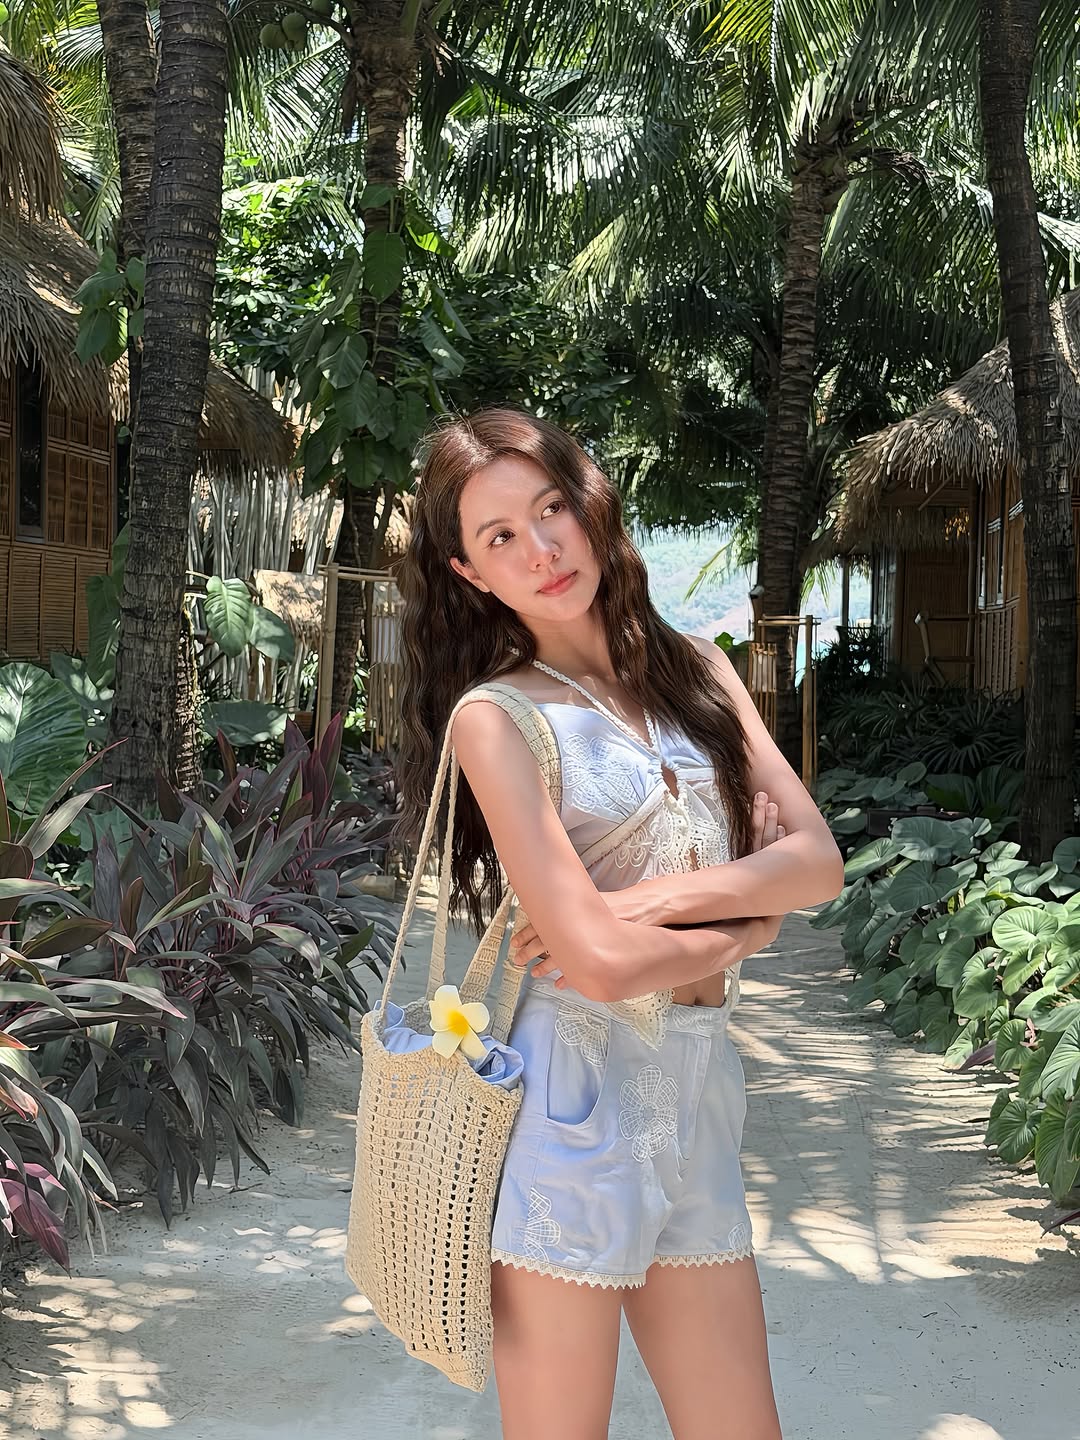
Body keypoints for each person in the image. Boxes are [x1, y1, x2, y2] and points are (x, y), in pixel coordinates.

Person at [394, 407, 845, 1440]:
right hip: (570, 1111)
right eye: (500, 535)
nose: (542, 549)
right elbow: (595, 966)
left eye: (552, 508)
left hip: (699, 1091)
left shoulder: (700, 672)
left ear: (591, 505)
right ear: (469, 572)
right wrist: (748, 923)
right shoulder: (497, 719)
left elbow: (818, 863)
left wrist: (647, 903)